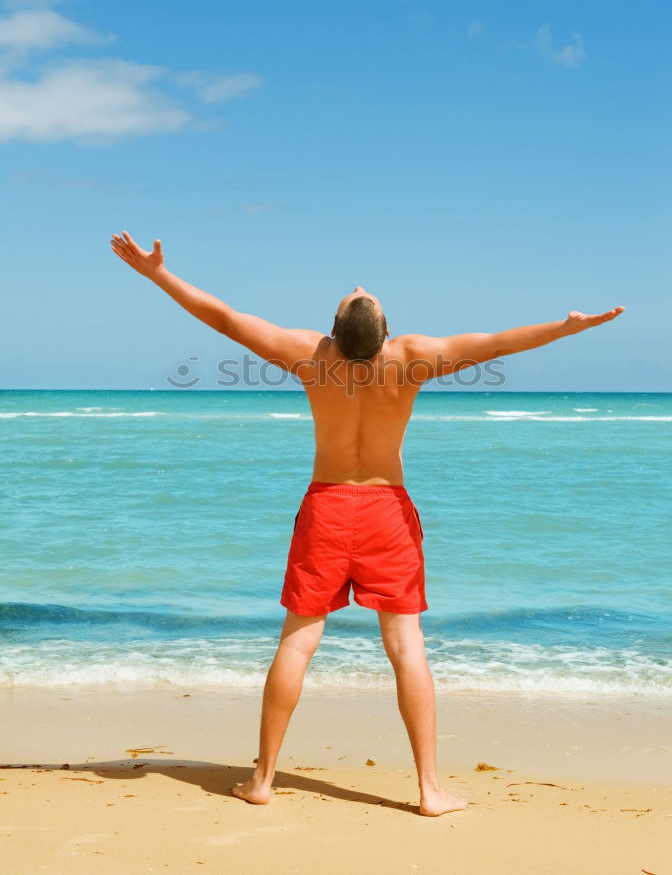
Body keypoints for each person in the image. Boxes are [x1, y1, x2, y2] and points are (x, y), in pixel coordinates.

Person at [110, 230, 625, 817]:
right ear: (387, 331)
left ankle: (262, 780)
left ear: (334, 329)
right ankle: (430, 790)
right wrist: (565, 329)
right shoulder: (409, 358)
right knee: (407, 648)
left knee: (298, 642)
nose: (359, 286)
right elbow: (494, 345)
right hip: (385, 511)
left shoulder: (310, 354)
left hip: (327, 508)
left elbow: (224, 319)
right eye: (362, 295)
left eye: (360, 293)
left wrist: (157, 275)